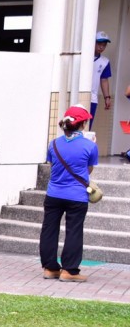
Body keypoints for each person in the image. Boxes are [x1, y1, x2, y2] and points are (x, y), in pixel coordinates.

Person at [39, 104, 99, 283]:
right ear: (82, 125)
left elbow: (53, 166)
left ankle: (50, 268)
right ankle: (69, 271)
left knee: (49, 230)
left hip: (54, 194)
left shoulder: (54, 144)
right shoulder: (90, 146)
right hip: (77, 196)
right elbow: (87, 171)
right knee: (74, 231)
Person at [91, 31, 112, 128]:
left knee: (87, 126)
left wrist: (107, 98)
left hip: (93, 98)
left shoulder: (105, 62)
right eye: (99, 44)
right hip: (77, 94)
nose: (101, 47)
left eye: (104, 45)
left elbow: (104, 80)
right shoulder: (83, 56)